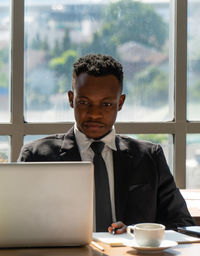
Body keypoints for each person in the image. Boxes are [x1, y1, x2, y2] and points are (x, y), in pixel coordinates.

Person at [18, 53, 195, 233]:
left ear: (120, 102)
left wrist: (139, 233)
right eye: (84, 102)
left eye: (107, 104)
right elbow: (18, 225)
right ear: (71, 99)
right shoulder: (36, 156)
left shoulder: (149, 157)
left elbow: (183, 224)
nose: (94, 114)